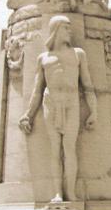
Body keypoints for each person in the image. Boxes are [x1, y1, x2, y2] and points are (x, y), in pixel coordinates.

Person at [19, 16, 97, 200]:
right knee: (55, 149)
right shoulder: (44, 58)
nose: (70, 31)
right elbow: (37, 90)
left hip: (71, 102)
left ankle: (70, 192)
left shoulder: (78, 54)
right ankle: (58, 193)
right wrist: (28, 115)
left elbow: (87, 84)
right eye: (66, 28)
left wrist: (94, 110)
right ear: (56, 30)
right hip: (50, 102)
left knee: (69, 148)